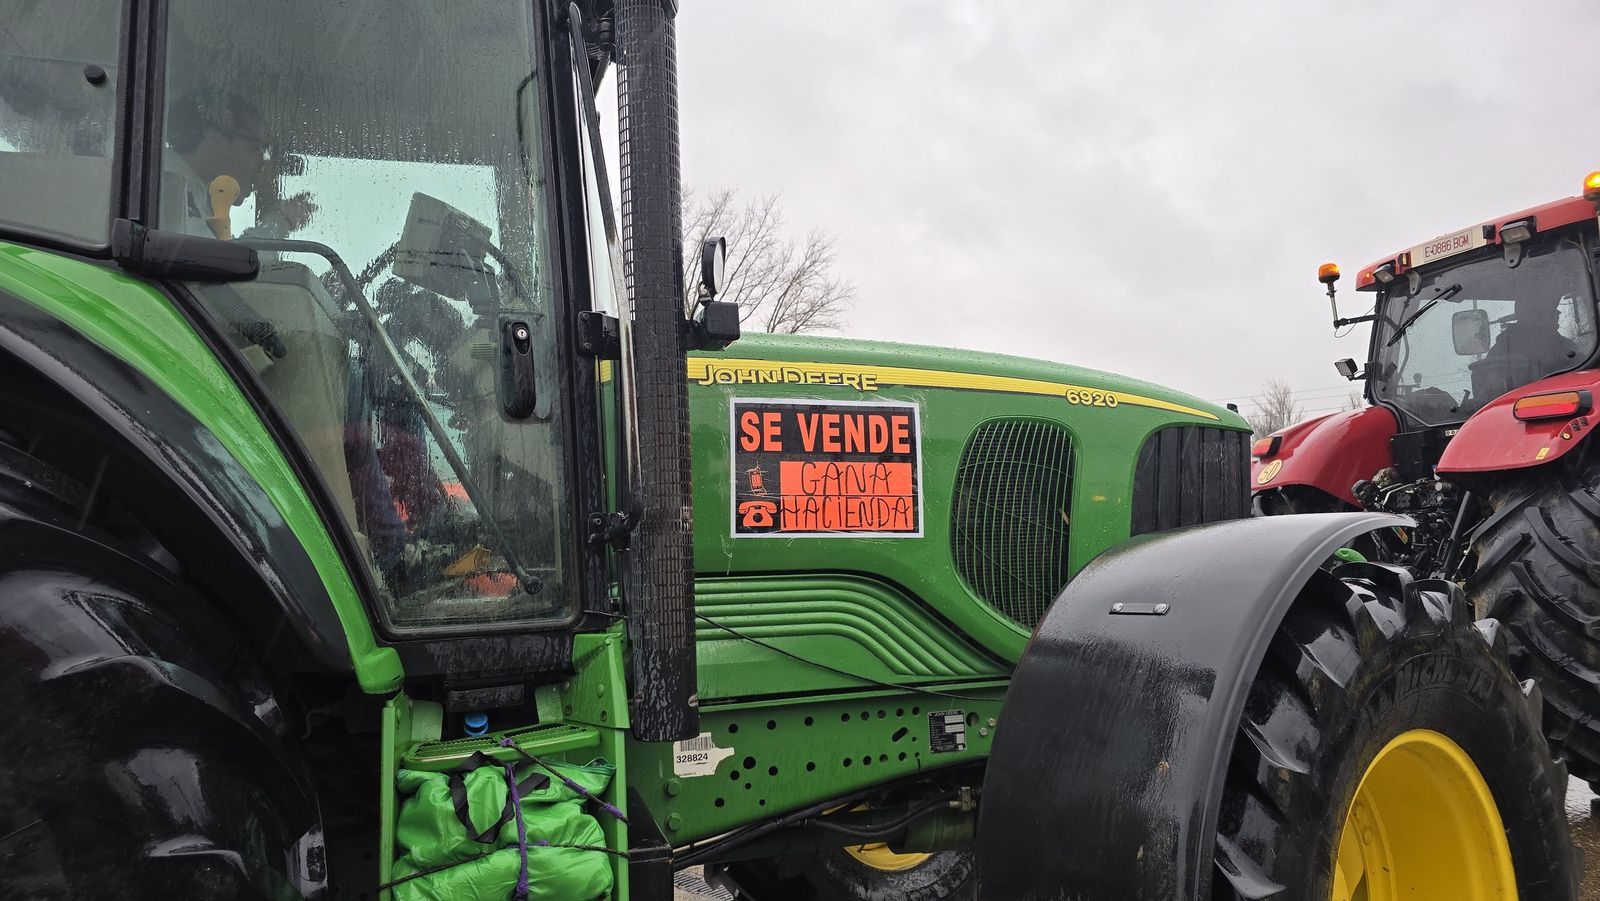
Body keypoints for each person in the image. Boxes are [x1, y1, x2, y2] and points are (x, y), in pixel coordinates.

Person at [164, 87, 315, 237]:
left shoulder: (188, 190)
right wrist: (283, 220)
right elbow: (212, 252)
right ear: (215, 138)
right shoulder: (167, 183)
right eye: (256, 147)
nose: (261, 160)